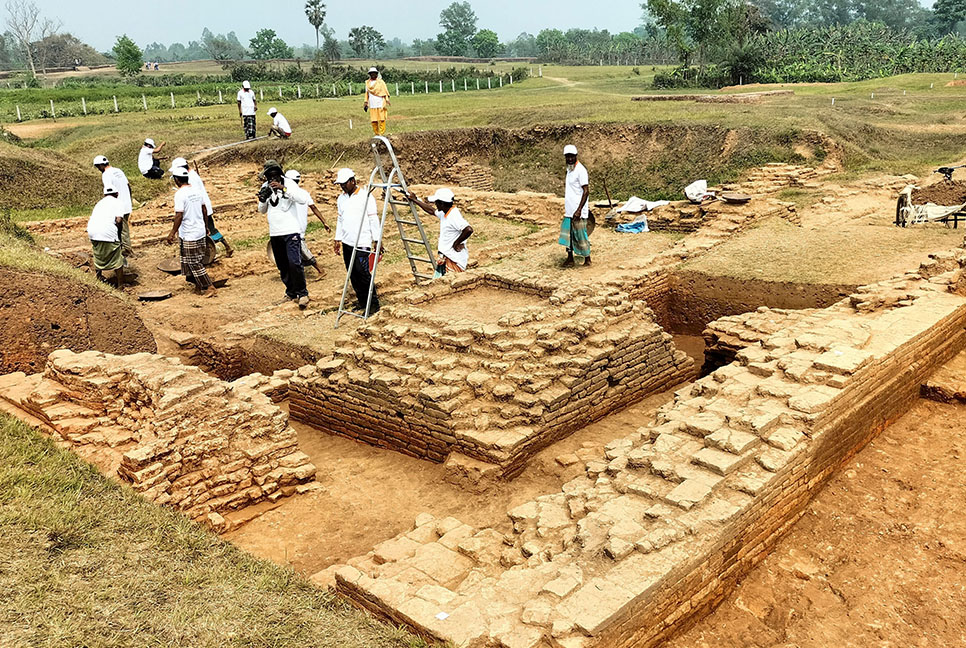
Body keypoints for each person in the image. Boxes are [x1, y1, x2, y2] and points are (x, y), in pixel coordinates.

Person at [258, 159, 311, 309]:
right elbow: (261, 210)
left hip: (291, 230)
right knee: (282, 264)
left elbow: (302, 199)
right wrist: (263, 198)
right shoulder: (265, 187)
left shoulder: (289, 183)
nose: (272, 179)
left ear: (280, 174)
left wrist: (283, 188)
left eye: (274, 175)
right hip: (275, 232)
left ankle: (303, 293)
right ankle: (291, 292)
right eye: (269, 176)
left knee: (295, 262)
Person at [333, 168, 382, 313]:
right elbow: (340, 220)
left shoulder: (365, 196)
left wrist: (376, 239)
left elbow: (373, 218)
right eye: (340, 184)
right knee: (352, 273)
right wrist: (337, 238)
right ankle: (362, 301)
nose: (342, 186)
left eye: (344, 183)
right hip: (347, 242)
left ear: (352, 181)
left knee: (363, 274)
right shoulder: (341, 198)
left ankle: (373, 305)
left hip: (362, 242)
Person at [165, 165, 217, 298]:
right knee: (191, 260)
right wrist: (205, 227)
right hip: (199, 231)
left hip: (189, 234)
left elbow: (179, 215)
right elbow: (204, 210)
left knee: (193, 262)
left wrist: (172, 232)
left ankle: (209, 286)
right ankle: (198, 286)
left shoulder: (180, 194)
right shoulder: (196, 190)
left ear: (177, 179)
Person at [171, 156, 233, 258]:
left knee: (209, 230)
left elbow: (194, 196)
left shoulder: (190, 178)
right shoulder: (191, 174)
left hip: (201, 208)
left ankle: (224, 248)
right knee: (209, 230)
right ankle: (224, 248)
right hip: (202, 206)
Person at [407, 187, 473, 276]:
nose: (435, 204)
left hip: (454, 259)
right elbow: (431, 210)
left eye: (436, 202)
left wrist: (456, 243)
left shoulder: (453, 215)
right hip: (446, 257)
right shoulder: (445, 212)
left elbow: (468, 230)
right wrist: (415, 200)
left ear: (441, 203)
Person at [285, 169, 330, 277]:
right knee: (296, 249)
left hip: (294, 227)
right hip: (301, 225)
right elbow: (313, 207)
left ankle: (320, 270)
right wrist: (324, 222)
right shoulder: (304, 193)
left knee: (301, 248)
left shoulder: (287, 194)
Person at [93, 155, 134, 258]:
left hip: (118, 206)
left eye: (98, 167)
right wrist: (129, 199)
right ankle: (122, 248)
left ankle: (127, 251)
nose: (99, 169)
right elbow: (128, 186)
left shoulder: (106, 174)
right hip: (126, 203)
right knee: (123, 227)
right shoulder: (118, 171)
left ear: (101, 165)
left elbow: (109, 192)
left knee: (121, 228)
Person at [87, 186, 126, 287]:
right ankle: (120, 285)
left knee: (98, 253)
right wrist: (119, 237)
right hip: (107, 231)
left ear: (104, 195)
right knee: (117, 258)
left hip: (92, 231)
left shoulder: (99, 203)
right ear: (117, 194)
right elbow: (119, 220)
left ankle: (99, 277)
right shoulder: (118, 203)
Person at [559, 144, 591, 267]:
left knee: (581, 235)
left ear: (576, 156)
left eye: (572, 156)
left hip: (578, 210)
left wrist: (579, 210)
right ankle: (570, 258)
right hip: (569, 210)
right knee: (569, 237)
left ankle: (587, 259)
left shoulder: (581, 170)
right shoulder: (569, 169)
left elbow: (586, 191)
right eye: (568, 157)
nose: (570, 159)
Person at [364, 67, 391, 136]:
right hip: (372, 104)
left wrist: (387, 99)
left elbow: (385, 92)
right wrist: (365, 103)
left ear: (376, 74)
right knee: (374, 120)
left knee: (382, 119)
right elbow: (366, 94)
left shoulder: (381, 82)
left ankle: (381, 133)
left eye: (374, 73)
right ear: (369, 74)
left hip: (380, 103)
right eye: (371, 73)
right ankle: (376, 134)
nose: (373, 75)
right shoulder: (367, 83)